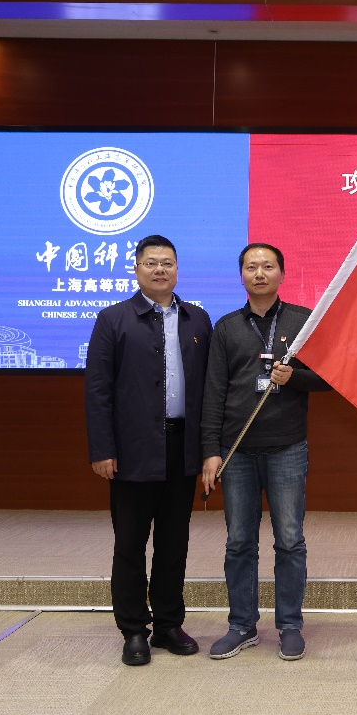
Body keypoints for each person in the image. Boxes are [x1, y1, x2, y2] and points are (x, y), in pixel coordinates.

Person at [85, 234, 213, 666]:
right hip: (132, 450)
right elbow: (98, 390)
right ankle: (134, 630)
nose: (160, 269)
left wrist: (208, 449)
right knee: (130, 544)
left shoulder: (197, 319)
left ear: (177, 269)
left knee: (174, 543)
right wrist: (102, 448)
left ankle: (169, 625)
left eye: (168, 263)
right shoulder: (113, 319)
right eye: (151, 262)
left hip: (182, 448)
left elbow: (209, 390)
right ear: (136, 269)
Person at [201, 243, 331, 662]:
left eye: (268, 266)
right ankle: (242, 625)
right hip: (236, 451)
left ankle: (290, 625)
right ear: (241, 275)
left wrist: (296, 378)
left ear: (282, 273)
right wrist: (211, 451)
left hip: (287, 448)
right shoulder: (226, 327)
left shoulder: (302, 321)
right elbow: (213, 392)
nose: (260, 273)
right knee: (239, 542)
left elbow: (329, 378)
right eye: (251, 267)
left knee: (289, 540)